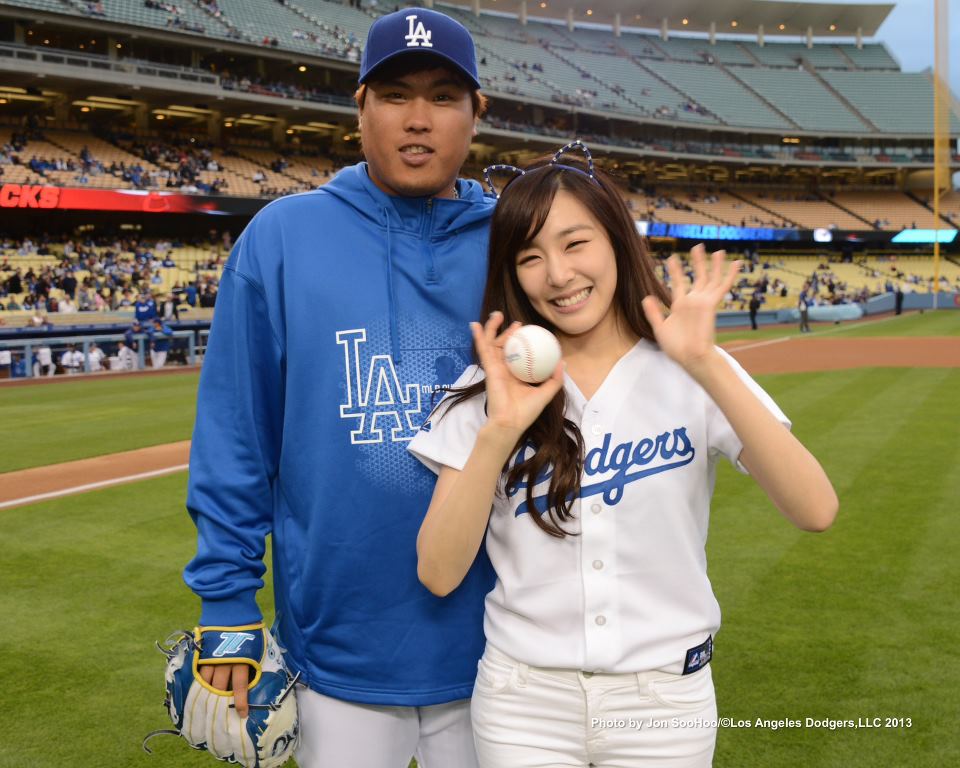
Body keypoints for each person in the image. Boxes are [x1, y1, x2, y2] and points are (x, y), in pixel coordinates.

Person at [410, 144, 838, 768]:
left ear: (615, 240)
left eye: (575, 243)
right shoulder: (489, 391)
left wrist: (706, 366)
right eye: (530, 256)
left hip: (664, 701)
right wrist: (499, 431)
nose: (557, 274)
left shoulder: (694, 371)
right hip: (523, 701)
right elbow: (439, 572)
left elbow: (816, 509)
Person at [183, 8, 496, 768]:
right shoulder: (283, 237)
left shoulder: (520, 239)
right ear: (359, 106)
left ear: (477, 113)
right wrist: (227, 604)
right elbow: (235, 435)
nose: (418, 120)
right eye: (394, 94)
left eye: (443, 97)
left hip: (504, 649)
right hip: (336, 651)